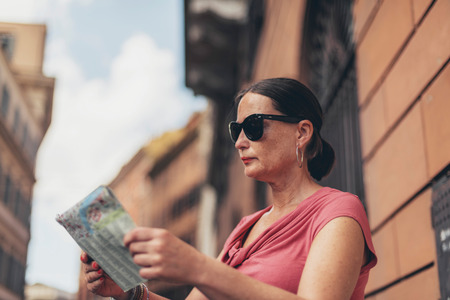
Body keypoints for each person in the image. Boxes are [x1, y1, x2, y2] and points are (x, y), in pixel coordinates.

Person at [82, 77, 377, 300]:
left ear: (301, 133)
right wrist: (129, 292)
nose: (239, 143)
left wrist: (198, 266)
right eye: (236, 130)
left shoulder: (338, 212)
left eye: (254, 126)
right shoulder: (246, 228)